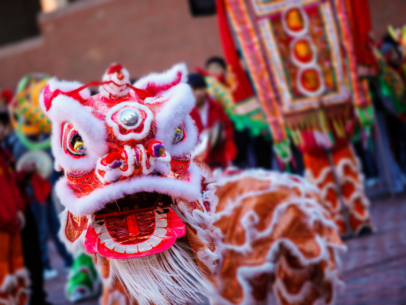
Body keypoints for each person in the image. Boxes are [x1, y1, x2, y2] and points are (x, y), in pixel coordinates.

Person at [188, 73, 237, 169]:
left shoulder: (216, 106)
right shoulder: (186, 113)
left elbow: (229, 128)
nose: (198, 92)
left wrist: (222, 135)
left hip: (219, 160)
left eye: (201, 88)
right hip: (197, 163)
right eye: (194, 89)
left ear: (205, 89)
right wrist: (202, 136)